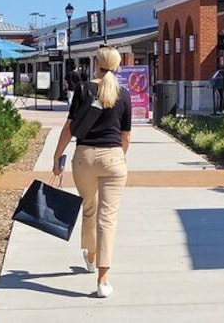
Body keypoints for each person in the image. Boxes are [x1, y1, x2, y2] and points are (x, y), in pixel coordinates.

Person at [53, 46, 131, 299]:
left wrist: (57, 156)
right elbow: (125, 136)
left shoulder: (84, 89)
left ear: (96, 64)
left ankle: (90, 255)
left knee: (89, 208)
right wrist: (118, 158)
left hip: (84, 157)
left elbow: (70, 127)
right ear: (117, 66)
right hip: (113, 158)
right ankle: (103, 279)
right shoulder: (124, 94)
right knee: (107, 218)